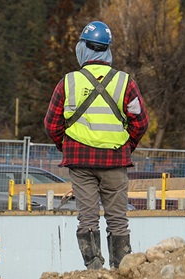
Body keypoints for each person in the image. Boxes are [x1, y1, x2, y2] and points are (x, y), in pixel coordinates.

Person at [44, 21, 149, 270]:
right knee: (118, 220)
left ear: (83, 48)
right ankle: (121, 269)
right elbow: (141, 122)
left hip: (80, 163)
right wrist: (126, 144)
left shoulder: (68, 83)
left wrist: (68, 145)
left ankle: (93, 270)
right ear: (107, 50)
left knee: (87, 218)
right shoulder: (125, 83)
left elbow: (51, 124)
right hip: (115, 162)